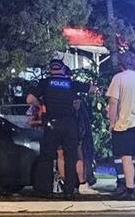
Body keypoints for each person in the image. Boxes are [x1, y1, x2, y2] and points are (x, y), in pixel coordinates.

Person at [27, 59, 90, 199]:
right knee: (70, 157)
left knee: (47, 157)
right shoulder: (71, 84)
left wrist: (41, 104)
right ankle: (69, 190)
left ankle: (45, 190)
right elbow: (92, 88)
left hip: (51, 123)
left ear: (50, 69)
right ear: (63, 69)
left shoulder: (45, 83)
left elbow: (29, 99)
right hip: (70, 123)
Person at [107, 51, 135, 200]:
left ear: (122, 64)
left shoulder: (119, 78)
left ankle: (130, 189)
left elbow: (113, 102)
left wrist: (111, 122)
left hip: (124, 124)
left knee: (126, 157)